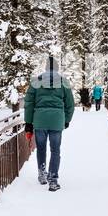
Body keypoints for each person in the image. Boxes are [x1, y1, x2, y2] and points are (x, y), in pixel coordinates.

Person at [23, 55, 75, 191]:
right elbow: (70, 104)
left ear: (45, 68)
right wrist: (67, 120)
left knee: (41, 148)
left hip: (39, 120)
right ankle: (53, 179)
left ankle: (42, 174)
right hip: (57, 121)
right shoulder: (64, 82)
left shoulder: (36, 81)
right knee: (55, 150)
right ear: (57, 68)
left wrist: (28, 122)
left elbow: (28, 103)